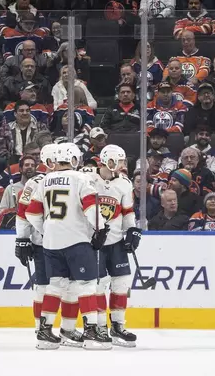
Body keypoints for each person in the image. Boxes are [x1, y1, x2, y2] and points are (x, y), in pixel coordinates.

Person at [24, 142, 110, 350]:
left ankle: (44, 333)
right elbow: (91, 208)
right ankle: (91, 333)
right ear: (73, 159)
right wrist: (100, 229)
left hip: (51, 242)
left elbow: (31, 213)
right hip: (76, 240)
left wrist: (47, 230)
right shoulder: (81, 178)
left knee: (55, 285)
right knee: (86, 285)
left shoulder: (44, 180)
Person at [14, 143, 83, 347]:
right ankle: (41, 329)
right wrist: (22, 238)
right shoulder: (35, 182)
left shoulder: (72, 179)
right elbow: (23, 213)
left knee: (72, 287)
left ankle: (68, 330)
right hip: (43, 244)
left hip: (68, 241)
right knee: (44, 287)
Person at [84, 145, 140, 347]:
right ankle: (99, 326)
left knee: (122, 283)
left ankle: (118, 326)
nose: (123, 165)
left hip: (116, 241)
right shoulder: (89, 179)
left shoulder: (124, 182)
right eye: (120, 161)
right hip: (94, 241)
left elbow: (127, 211)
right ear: (108, 160)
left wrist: (132, 230)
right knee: (98, 285)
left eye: (124, 161)